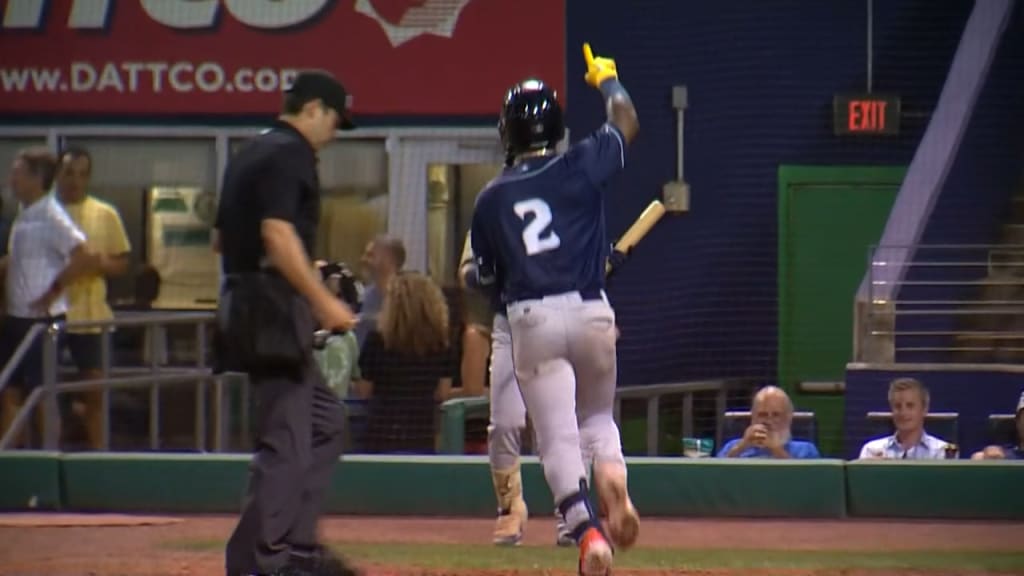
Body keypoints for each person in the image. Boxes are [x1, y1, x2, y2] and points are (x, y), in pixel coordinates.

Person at [467, 43, 640, 575]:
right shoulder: (582, 163)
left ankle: (589, 534)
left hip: (532, 321)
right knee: (596, 418)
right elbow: (627, 120)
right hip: (592, 309)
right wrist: (607, 81)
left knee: (557, 435)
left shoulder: (491, 199)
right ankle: (613, 476)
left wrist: (478, 275)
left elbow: (486, 279)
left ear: (507, 133)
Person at [215, 70, 360, 576]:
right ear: (315, 109)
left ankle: (294, 548)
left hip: (246, 300)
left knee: (324, 423)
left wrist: (307, 268)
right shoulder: (292, 152)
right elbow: (276, 235)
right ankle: (266, 563)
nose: (334, 132)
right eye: (335, 121)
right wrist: (322, 301)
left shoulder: (251, 151)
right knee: (288, 444)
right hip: (271, 312)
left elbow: (226, 241)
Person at [0, 147, 97, 447]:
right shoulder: (23, 215)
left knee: (42, 392)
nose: (11, 180)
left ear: (35, 178)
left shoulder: (52, 216)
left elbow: (83, 255)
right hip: (16, 318)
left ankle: (48, 458)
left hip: (42, 322)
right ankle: (11, 463)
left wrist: (53, 290)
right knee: (9, 392)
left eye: (17, 174)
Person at [54, 146, 132, 450]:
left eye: (82, 174)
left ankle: (98, 458)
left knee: (95, 392)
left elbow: (122, 263)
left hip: (92, 317)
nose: (75, 180)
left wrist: (99, 263)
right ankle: (48, 457)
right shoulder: (43, 214)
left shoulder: (105, 214)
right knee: (44, 392)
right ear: (58, 175)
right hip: (53, 317)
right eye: (69, 173)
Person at [717, 386, 821, 459]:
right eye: (762, 415)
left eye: (776, 415)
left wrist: (776, 449)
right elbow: (715, 477)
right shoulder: (733, 446)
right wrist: (742, 446)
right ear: (753, 417)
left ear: (788, 418)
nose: (768, 421)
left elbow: (804, 482)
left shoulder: (806, 450)